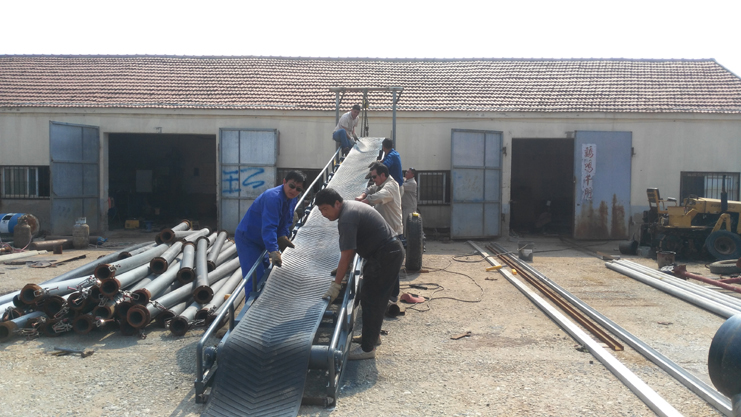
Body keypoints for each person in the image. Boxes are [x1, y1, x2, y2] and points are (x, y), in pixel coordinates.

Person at [316, 188, 405, 360]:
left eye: (325, 209)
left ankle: (367, 349)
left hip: (385, 254)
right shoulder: (350, 208)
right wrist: (344, 269)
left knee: (372, 300)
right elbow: (352, 246)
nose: (323, 214)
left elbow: (347, 253)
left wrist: (336, 285)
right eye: (320, 210)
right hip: (387, 252)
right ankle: (371, 337)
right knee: (371, 297)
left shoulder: (347, 218)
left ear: (337, 203)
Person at [234, 170, 307, 299]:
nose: (294, 190)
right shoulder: (273, 197)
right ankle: (250, 307)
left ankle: (261, 301)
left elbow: (286, 221)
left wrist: (282, 236)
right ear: (284, 182)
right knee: (254, 277)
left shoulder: (292, 199)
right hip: (248, 239)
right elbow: (269, 226)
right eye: (292, 186)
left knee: (265, 274)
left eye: (298, 189)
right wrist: (273, 249)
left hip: (262, 239)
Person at [356, 163, 403, 304]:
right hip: (383, 233)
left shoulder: (390, 186)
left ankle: (392, 296)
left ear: (383, 175)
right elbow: (371, 188)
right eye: (372, 177)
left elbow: (379, 196)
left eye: (374, 177)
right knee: (382, 264)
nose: (373, 180)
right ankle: (382, 293)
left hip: (393, 233)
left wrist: (363, 202)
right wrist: (363, 194)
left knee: (392, 265)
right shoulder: (381, 184)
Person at [401, 167, 418, 237]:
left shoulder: (412, 183)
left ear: (412, 175)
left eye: (408, 172)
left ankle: (407, 239)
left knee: (407, 224)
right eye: (406, 171)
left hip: (410, 207)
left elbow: (401, 186)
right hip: (404, 206)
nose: (406, 173)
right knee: (403, 223)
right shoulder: (406, 180)